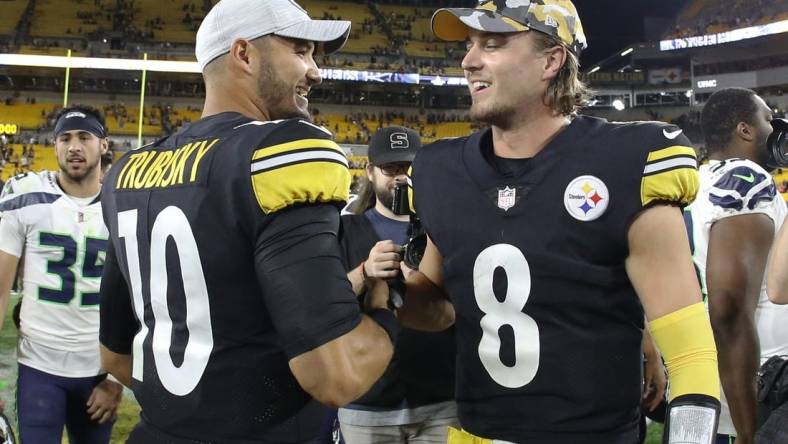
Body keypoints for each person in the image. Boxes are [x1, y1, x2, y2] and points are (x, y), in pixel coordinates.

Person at [399, 1, 723, 442]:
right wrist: (389, 290)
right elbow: (438, 307)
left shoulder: (625, 161)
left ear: (551, 60)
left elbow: (691, 356)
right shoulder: (441, 170)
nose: (469, 60)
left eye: (492, 44)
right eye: (471, 45)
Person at [97, 0, 398, 443]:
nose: (316, 71)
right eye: (300, 50)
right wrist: (386, 310)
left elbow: (115, 356)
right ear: (244, 54)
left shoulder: (129, 172)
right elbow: (337, 376)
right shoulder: (280, 152)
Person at [0, 105, 123, 444]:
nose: (74, 147)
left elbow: (144, 301)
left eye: (85, 137)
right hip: (39, 366)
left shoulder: (124, 206)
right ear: (54, 145)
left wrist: (118, 380)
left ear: (103, 144)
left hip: (98, 371)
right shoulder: (27, 198)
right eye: (65, 138)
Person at [338, 126, 458, 443]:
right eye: (390, 168)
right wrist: (365, 271)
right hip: (367, 398)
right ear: (370, 171)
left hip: (440, 394)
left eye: (408, 168)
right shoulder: (345, 229)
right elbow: (327, 302)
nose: (400, 177)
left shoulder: (442, 228)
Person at [686, 87, 788, 444]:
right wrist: (749, 431)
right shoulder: (746, 180)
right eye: (766, 119)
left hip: (710, 378)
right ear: (745, 130)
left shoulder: (698, 179)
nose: (775, 128)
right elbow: (728, 308)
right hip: (757, 385)